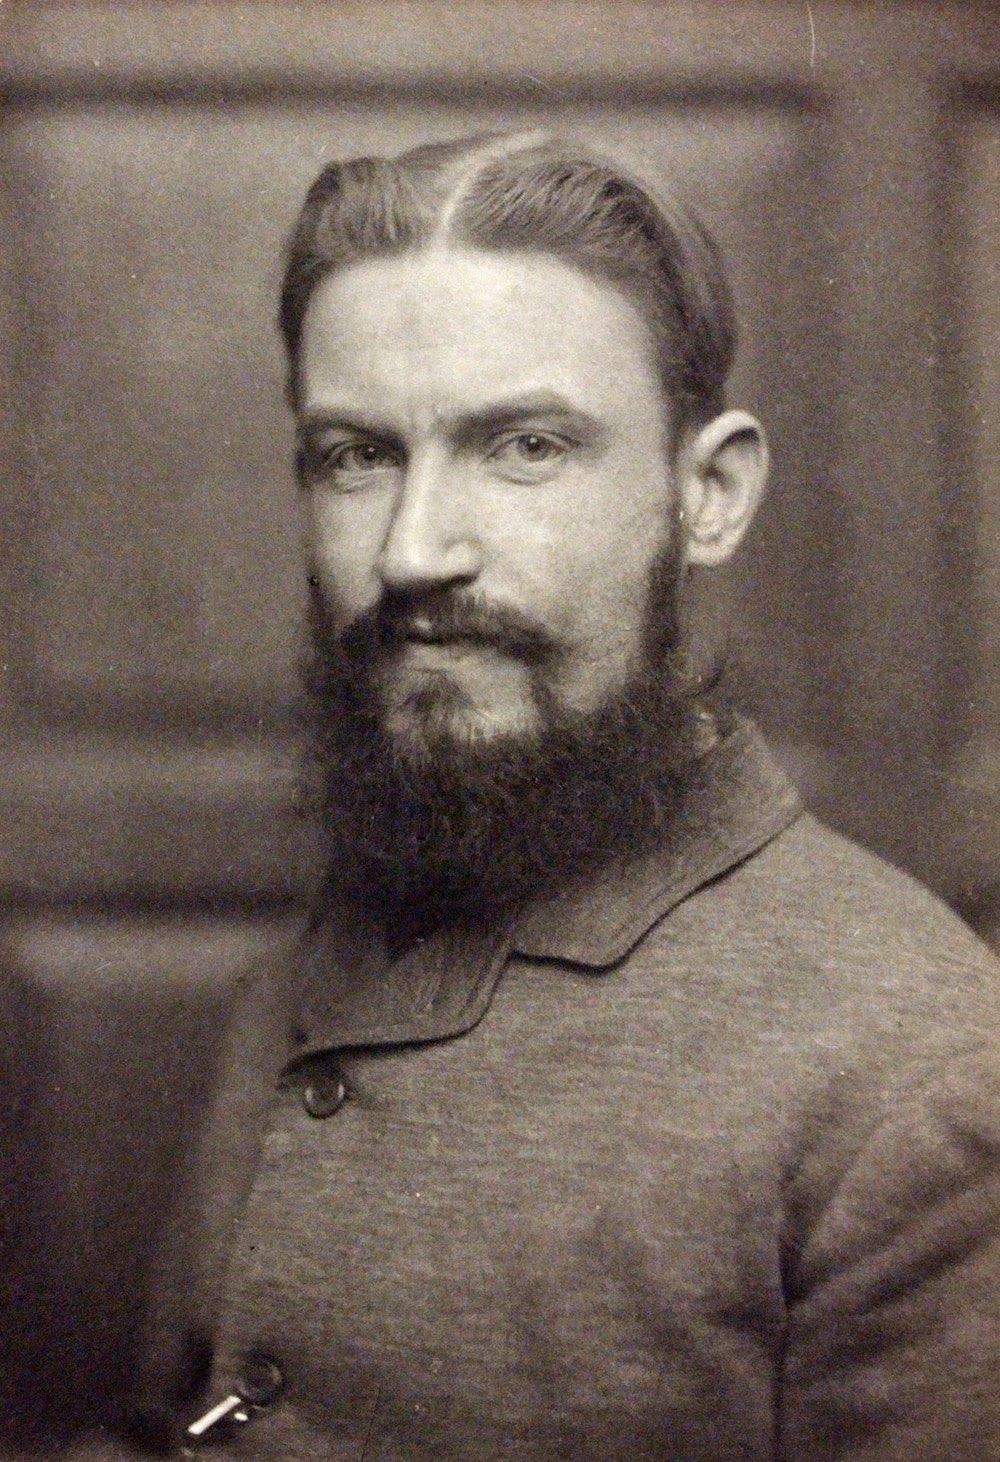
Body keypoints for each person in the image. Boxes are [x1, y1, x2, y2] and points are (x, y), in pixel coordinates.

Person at [5, 129, 998, 1459]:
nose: (413, 551)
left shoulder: (920, 1070)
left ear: (707, 495)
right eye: (356, 456)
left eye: (525, 446)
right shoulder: (337, 931)